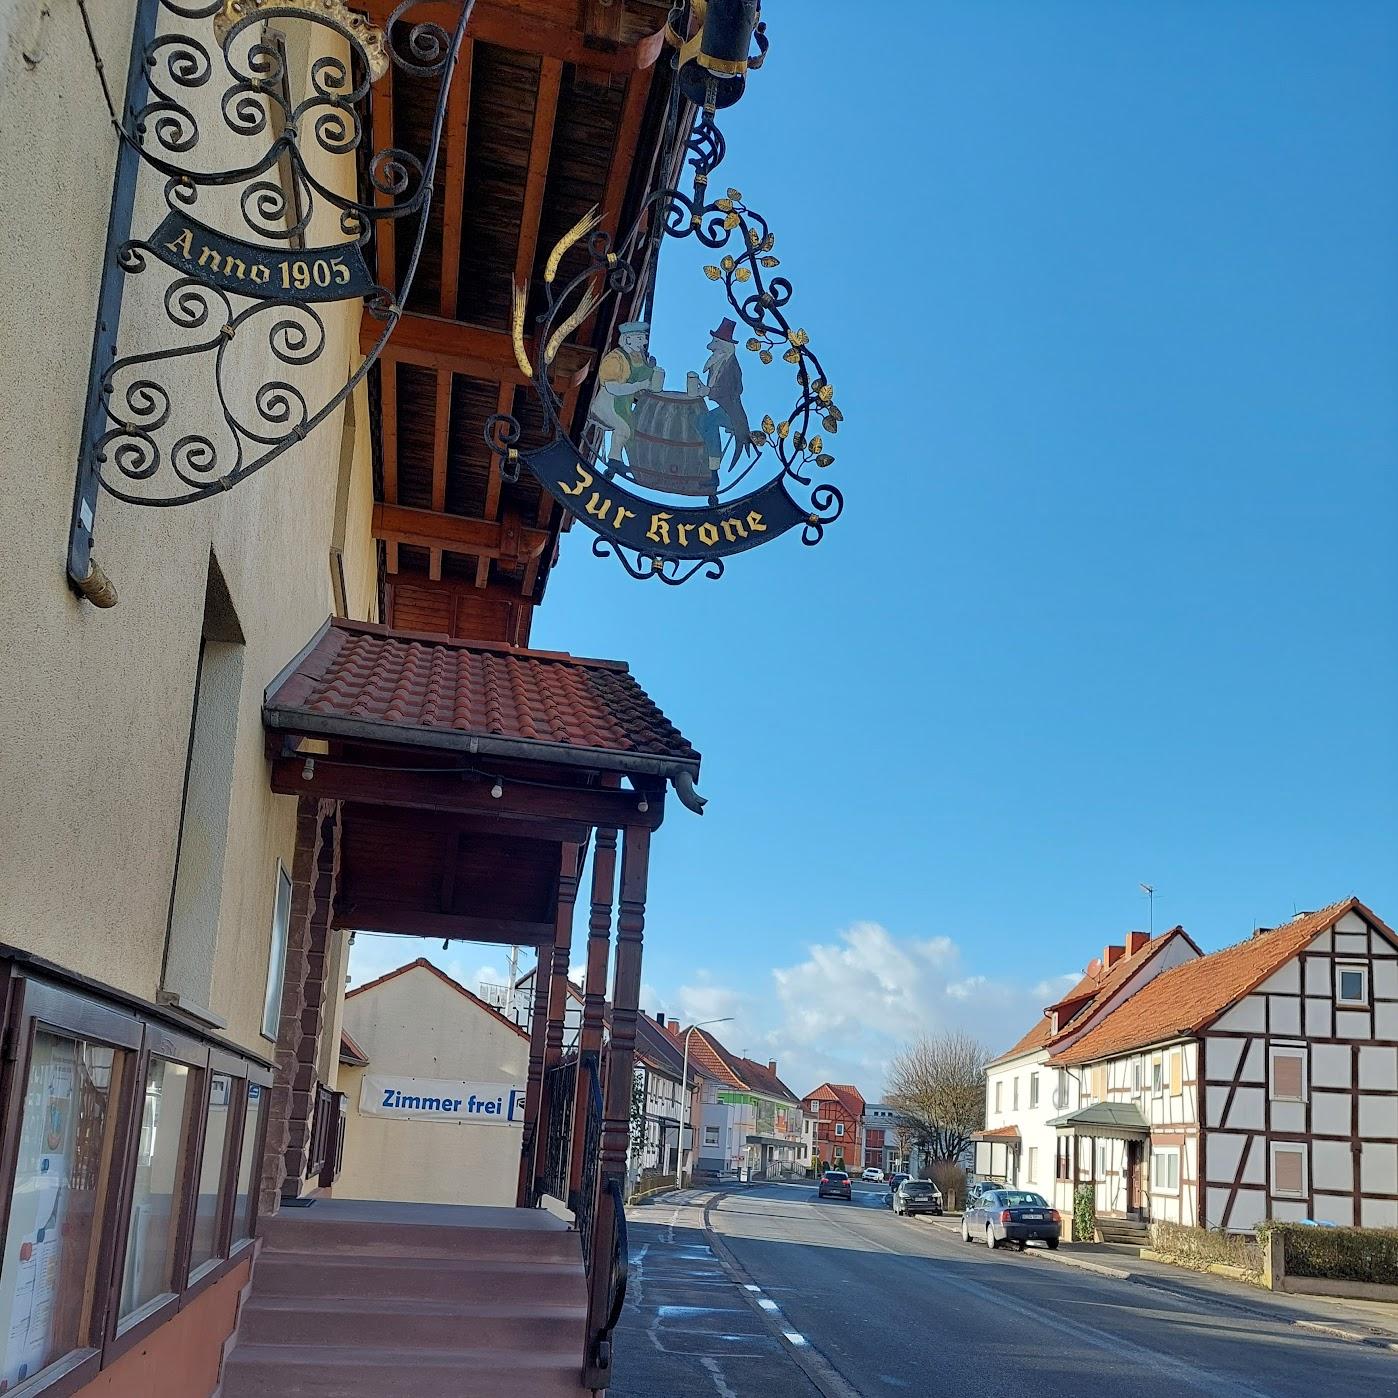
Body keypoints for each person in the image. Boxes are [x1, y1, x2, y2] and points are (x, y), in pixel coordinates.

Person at [687, 318, 754, 489]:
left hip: (733, 414)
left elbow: (735, 389)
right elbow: (716, 387)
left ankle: (713, 472)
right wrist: (704, 388)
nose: (712, 345)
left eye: (716, 341)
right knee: (700, 421)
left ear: (724, 345)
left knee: (706, 421)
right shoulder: (718, 361)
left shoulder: (731, 365)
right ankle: (707, 463)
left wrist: (709, 391)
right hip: (724, 409)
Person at [588, 321, 663, 472]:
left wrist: (652, 375)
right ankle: (614, 462)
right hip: (607, 403)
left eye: (644, 338)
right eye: (640, 338)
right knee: (624, 428)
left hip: (625, 404)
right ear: (628, 339)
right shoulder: (615, 359)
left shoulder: (639, 358)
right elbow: (612, 387)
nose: (645, 342)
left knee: (639, 429)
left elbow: (640, 387)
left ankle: (636, 463)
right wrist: (639, 385)